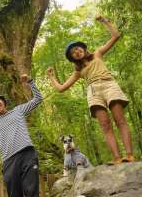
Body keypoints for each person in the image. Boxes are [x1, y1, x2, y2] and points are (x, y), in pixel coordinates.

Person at [46, 15, 135, 165]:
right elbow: (61, 88)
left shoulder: (98, 54)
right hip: (93, 92)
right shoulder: (78, 71)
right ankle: (117, 158)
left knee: (120, 120)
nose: (76, 52)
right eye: (73, 53)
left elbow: (116, 36)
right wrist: (51, 77)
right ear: (73, 58)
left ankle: (130, 155)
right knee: (105, 125)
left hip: (109, 85)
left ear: (84, 49)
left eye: (78, 49)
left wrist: (104, 21)